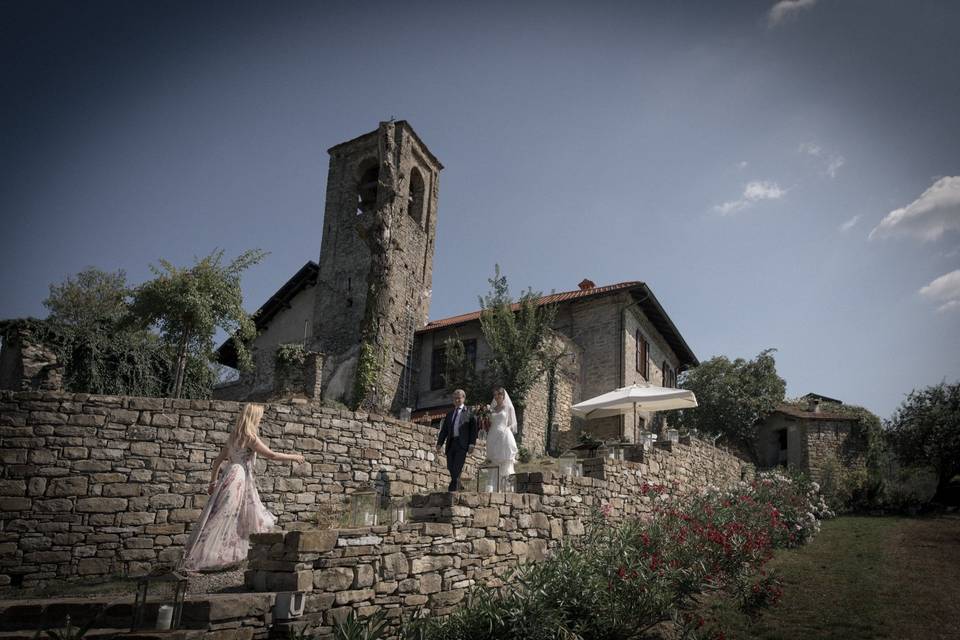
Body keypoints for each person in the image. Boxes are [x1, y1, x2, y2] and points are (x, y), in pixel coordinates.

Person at [179, 403, 305, 572]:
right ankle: (207, 559)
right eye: (259, 417)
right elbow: (271, 455)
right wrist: (294, 456)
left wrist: (213, 482)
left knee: (223, 515)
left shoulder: (233, 436)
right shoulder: (250, 436)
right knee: (228, 516)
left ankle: (222, 556)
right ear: (253, 417)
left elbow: (217, 462)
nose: (260, 420)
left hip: (228, 475)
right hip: (238, 478)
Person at [435, 388, 478, 492]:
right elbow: (444, 431)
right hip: (451, 443)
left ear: (463, 398)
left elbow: (474, 429)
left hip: (462, 444)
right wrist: (439, 443)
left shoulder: (469, 412)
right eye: (455, 398)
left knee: (457, 467)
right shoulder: (449, 414)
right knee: (450, 466)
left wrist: (472, 444)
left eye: (459, 398)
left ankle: (452, 490)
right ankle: (459, 485)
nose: (457, 400)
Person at [486, 387, 518, 482]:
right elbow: (490, 422)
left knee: (505, 459)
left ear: (503, 395)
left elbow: (514, 423)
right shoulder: (492, 409)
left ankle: (506, 485)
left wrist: (507, 429)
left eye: (498, 394)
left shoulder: (509, 407)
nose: (496, 397)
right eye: (495, 395)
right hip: (493, 434)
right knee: (494, 461)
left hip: (504, 434)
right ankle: (493, 485)